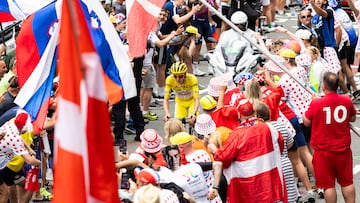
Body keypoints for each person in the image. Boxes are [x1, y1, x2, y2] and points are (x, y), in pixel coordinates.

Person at [214, 99, 285, 203]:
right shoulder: (269, 128)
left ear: (239, 114)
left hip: (249, 187)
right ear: (254, 112)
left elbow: (222, 156)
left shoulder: (237, 134)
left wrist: (213, 148)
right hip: (269, 182)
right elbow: (280, 145)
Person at [303, 72, 356, 203]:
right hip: (343, 149)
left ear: (324, 85)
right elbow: (353, 118)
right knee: (347, 182)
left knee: (328, 185)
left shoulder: (317, 103)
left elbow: (306, 121)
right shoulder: (346, 100)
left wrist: (313, 103)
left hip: (323, 151)